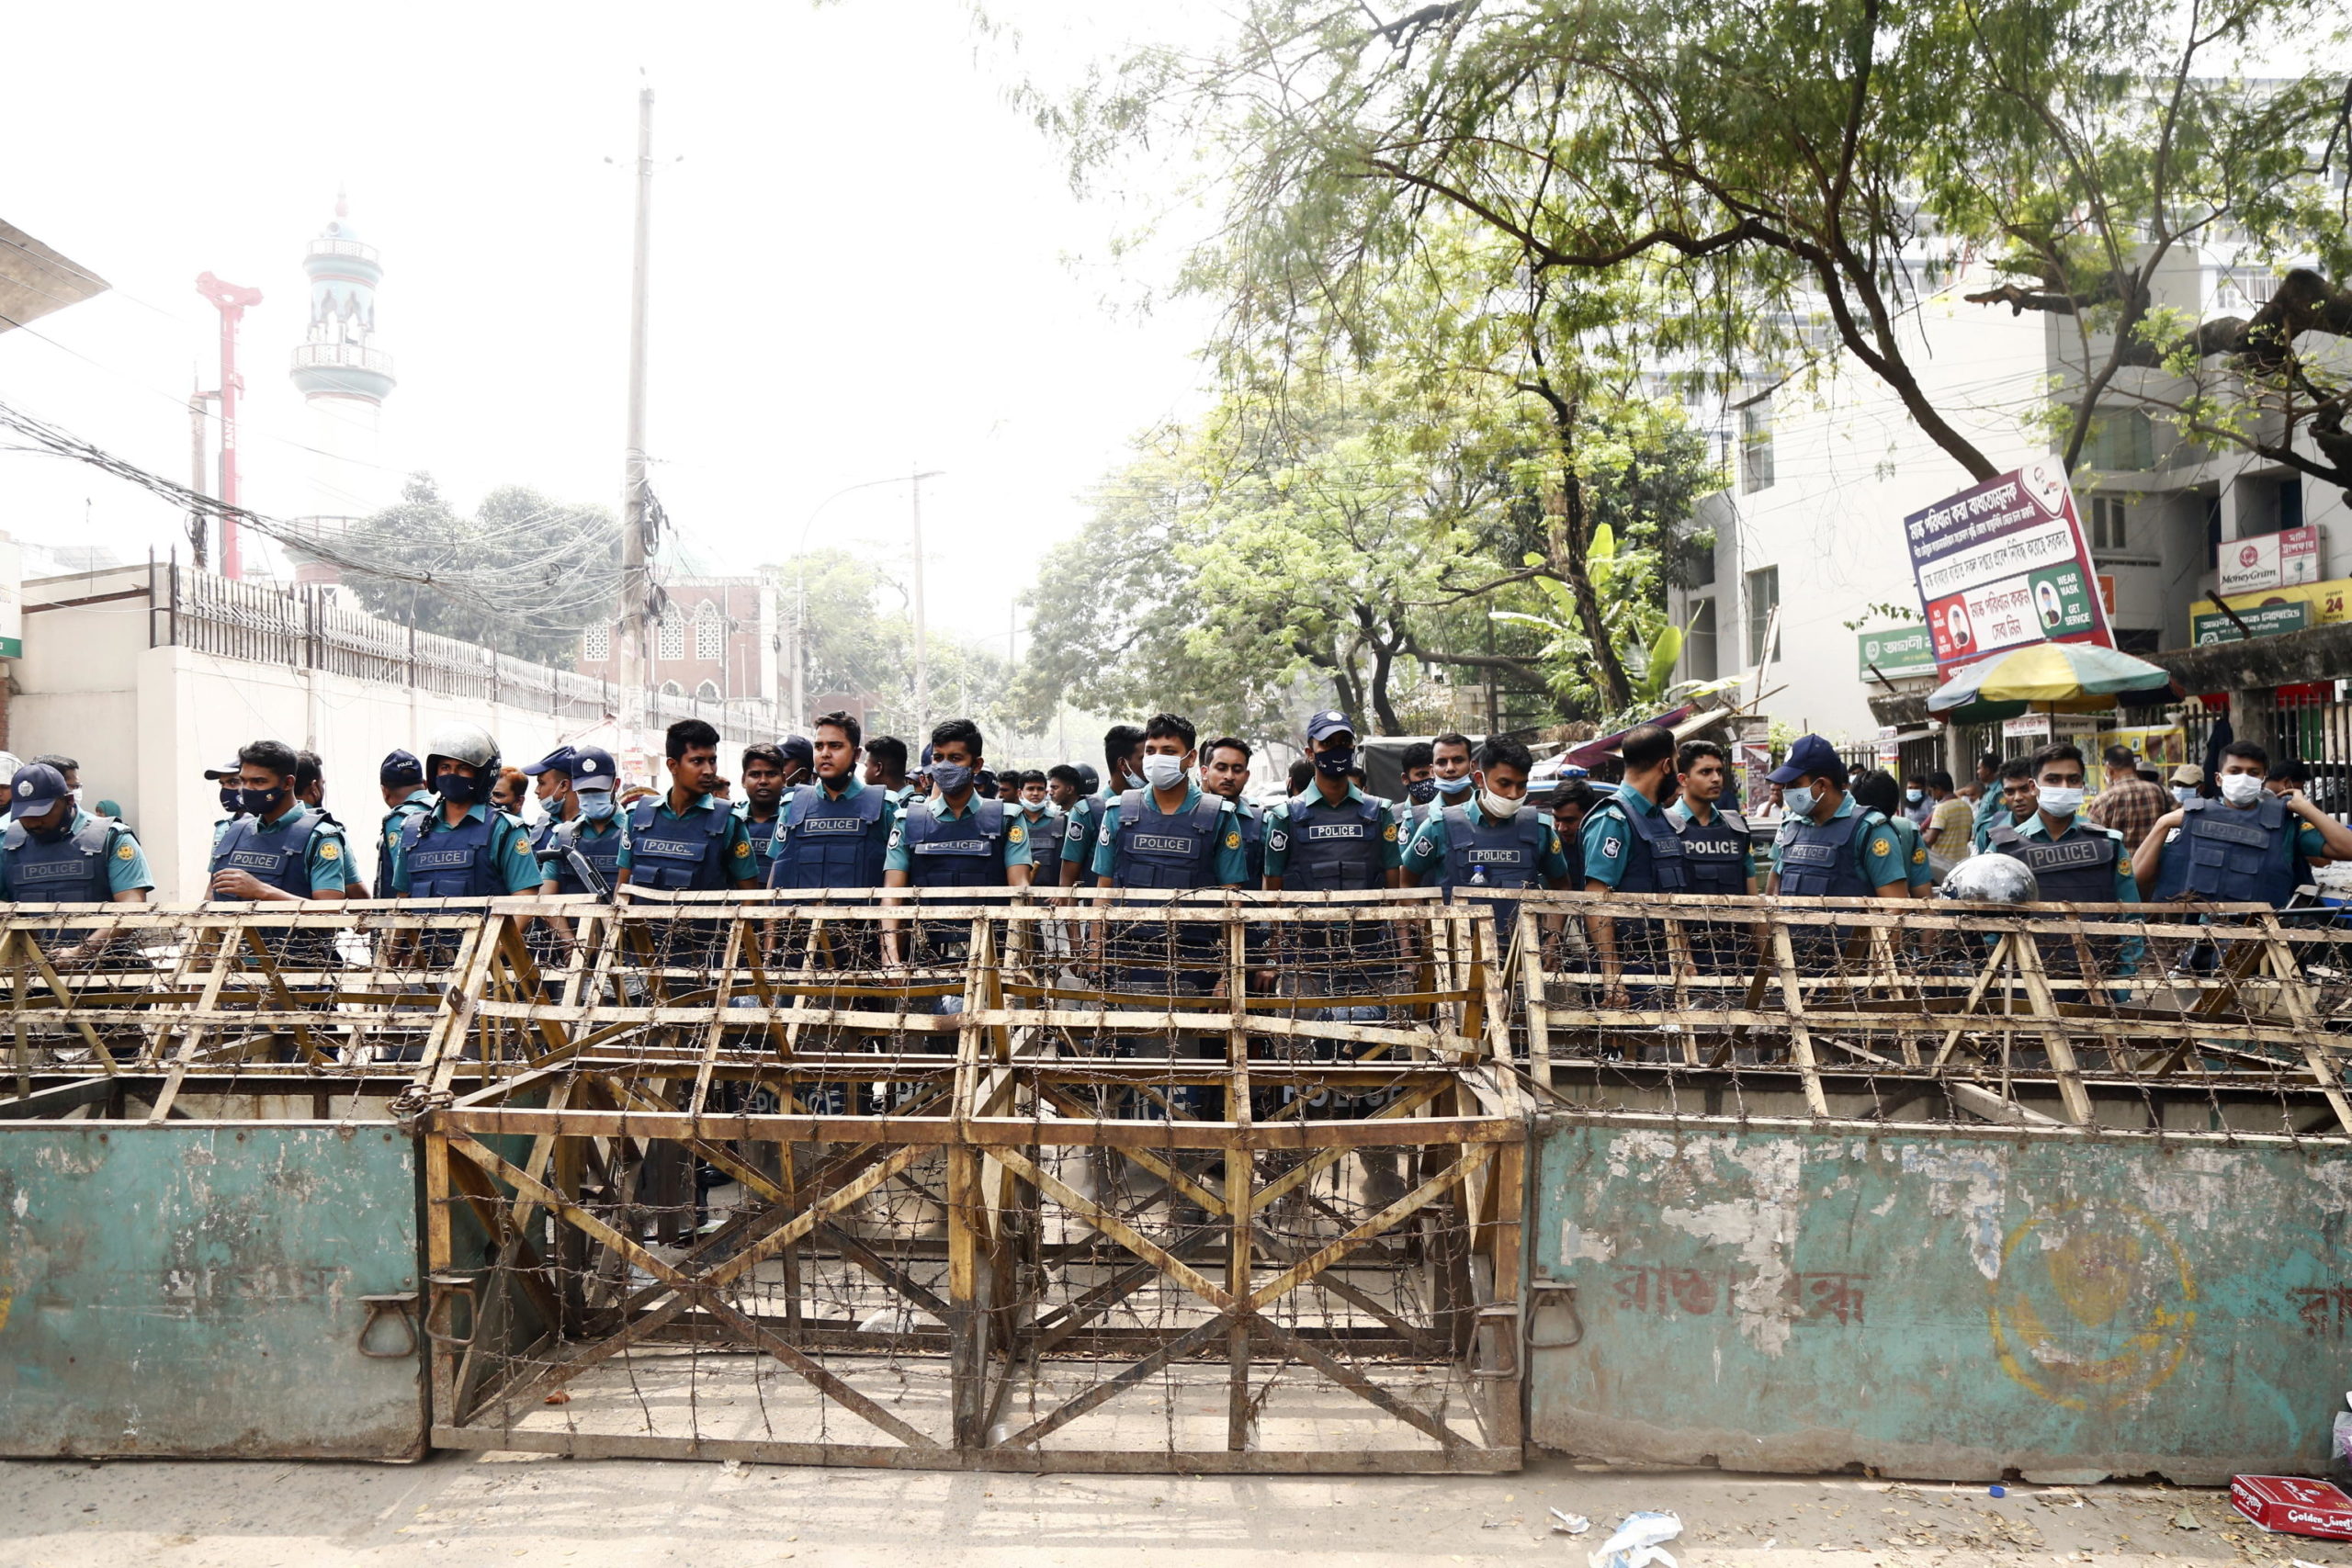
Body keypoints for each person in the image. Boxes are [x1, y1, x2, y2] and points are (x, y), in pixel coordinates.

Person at [2132, 740, 2352, 907]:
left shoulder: (2285, 824)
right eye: (2235, 771)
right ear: (2219, 778)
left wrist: (2306, 808)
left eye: (2253, 773)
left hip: (2261, 945)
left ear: (2262, 779)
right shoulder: (2191, 816)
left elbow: (2347, 848)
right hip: (2192, 939)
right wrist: (2163, 823)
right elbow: (2139, 877)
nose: (2244, 778)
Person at [1401, 734, 1573, 932]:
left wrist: (1553, 936)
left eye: (1521, 785)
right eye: (1504, 783)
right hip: (1456, 956)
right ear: (1480, 779)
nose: (1514, 794)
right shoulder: (1439, 827)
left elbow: (1561, 887)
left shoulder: (1539, 830)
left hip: (1523, 956)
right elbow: (1406, 882)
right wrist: (1431, 934)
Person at [1579, 723, 1691, 1004]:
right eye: (1676, 763)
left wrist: (1684, 955)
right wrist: (1612, 977)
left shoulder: (1661, 819)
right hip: (1631, 970)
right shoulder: (1612, 819)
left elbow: (1670, 899)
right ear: (1666, 765)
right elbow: (1596, 900)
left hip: (1666, 967)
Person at [392, 725, 545, 899]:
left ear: (481, 775)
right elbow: (402, 898)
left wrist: (498, 928)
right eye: (445, 767)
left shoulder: (503, 829)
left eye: (463, 768)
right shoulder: (413, 831)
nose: (452, 774)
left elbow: (525, 896)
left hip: (486, 927)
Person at [1986, 743, 2139, 906]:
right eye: (2053, 780)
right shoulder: (2003, 849)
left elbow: (2130, 915)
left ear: (2082, 786)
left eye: (2073, 780)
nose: (2064, 787)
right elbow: (1991, 917)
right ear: (2033, 787)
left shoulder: (2109, 843)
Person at [1764, 734, 1909, 900]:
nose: (1787, 791)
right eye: (1786, 785)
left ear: (1822, 785)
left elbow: (1895, 908)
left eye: (1795, 784)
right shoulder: (1790, 826)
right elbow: (1773, 894)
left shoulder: (1869, 830)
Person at [622, 719, 760, 893]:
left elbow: (750, 894)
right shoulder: (637, 817)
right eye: (697, 761)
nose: (709, 770)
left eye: (712, 761)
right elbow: (623, 890)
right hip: (646, 921)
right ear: (673, 765)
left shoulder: (729, 821)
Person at [769, 710, 896, 892]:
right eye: (819, 746)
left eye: (835, 746)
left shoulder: (885, 806)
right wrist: (769, 920)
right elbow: (777, 872)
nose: (825, 754)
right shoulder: (792, 805)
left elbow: (898, 880)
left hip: (863, 920)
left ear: (856, 754)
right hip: (800, 920)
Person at [0, 761, 152, 909]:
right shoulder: (6, 842)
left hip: (102, 935)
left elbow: (131, 905)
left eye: (41, 813)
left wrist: (88, 937)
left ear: (68, 801)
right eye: (24, 815)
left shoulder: (112, 839)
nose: (33, 823)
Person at [1059, 723, 1145, 889]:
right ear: (1123, 764)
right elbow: (1068, 879)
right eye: (1144, 758)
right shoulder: (1087, 811)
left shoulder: (1155, 807)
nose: (1151, 764)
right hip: (1102, 910)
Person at [1669, 739, 1758, 897]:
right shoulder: (1663, 825)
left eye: (1719, 771)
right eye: (1706, 772)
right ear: (1683, 779)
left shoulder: (1737, 829)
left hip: (1734, 922)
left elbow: (1753, 900)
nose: (1716, 778)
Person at [536, 745, 628, 897]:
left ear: (616, 785)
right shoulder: (563, 836)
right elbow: (546, 898)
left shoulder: (633, 833)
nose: (591, 795)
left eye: (598, 789)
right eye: (584, 790)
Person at [1200, 736, 1264, 887]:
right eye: (1221, 768)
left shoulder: (1261, 823)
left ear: (1247, 776)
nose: (1229, 776)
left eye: (1237, 770)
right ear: (1205, 771)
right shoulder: (1186, 815)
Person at [2083, 743, 2167, 852]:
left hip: (2119, 866)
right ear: (2134, 766)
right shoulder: (2160, 791)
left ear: (2109, 769)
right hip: (2156, 864)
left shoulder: (2103, 800)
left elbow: (2090, 841)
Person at [375, 750, 434, 896]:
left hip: (412, 914)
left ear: (385, 792)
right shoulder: (444, 810)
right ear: (425, 784)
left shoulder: (398, 819)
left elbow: (404, 884)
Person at [736, 742, 790, 874]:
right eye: (755, 775)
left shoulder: (793, 819)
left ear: (783, 779)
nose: (763, 781)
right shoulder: (731, 820)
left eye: (771, 774)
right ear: (743, 780)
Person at [1012, 768, 1068, 889]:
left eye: (1040, 789)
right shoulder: (1010, 821)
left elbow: (1071, 861)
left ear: (1046, 792)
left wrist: (1061, 893)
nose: (1036, 793)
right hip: (1018, 895)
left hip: (1053, 898)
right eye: (1030, 789)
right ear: (1019, 792)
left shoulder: (1062, 820)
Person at [1973, 758, 2041, 854]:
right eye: (2010, 792)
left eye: (2024, 789)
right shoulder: (1988, 828)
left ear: (2035, 787)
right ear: (2003, 793)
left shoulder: (2055, 826)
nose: (2018, 798)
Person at [1550, 780, 1602, 891]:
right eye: (1557, 819)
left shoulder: (1601, 845)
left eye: (1569, 820)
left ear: (1589, 815)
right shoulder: (1548, 844)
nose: (1561, 828)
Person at [1923, 771, 1973, 869]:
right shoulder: (1966, 806)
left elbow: (1930, 840)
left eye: (1932, 791)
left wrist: (1921, 836)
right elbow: (1968, 836)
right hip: (1961, 865)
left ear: (1938, 789)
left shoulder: (1942, 808)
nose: (1932, 795)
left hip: (1942, 866)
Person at [1396, 740, 1436, 833]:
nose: (1431, 780)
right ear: (1405, 778)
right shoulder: (1392, 818)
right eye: (1422, 774)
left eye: (1434, 773)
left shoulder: (1453, 815)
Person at [864, 734, 913, 806]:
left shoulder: (910, 808)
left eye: (866, 766)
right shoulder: (887, 804)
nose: (863, 775)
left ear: (878, 768)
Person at [1970, 750, 2007, 837]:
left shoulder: (1999, 791)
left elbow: (2003, 819)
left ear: (1987, 770)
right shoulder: (1989, 790)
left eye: (1979, 768)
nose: (1977, 772)